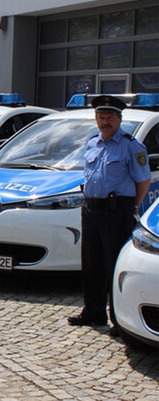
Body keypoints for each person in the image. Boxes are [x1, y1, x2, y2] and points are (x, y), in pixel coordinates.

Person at [68, 96, 150, 334]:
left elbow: (143, 181)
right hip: (91, 208)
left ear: (119, 119)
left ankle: (119, 319)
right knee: (91, 262)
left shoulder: (131, 146)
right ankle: (93, 312)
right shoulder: (93, 143)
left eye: (110, 118)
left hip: (116, 211)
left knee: (115, 264)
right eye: (101, 117)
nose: (105, 122)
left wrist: (128, 207)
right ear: (96, 119)